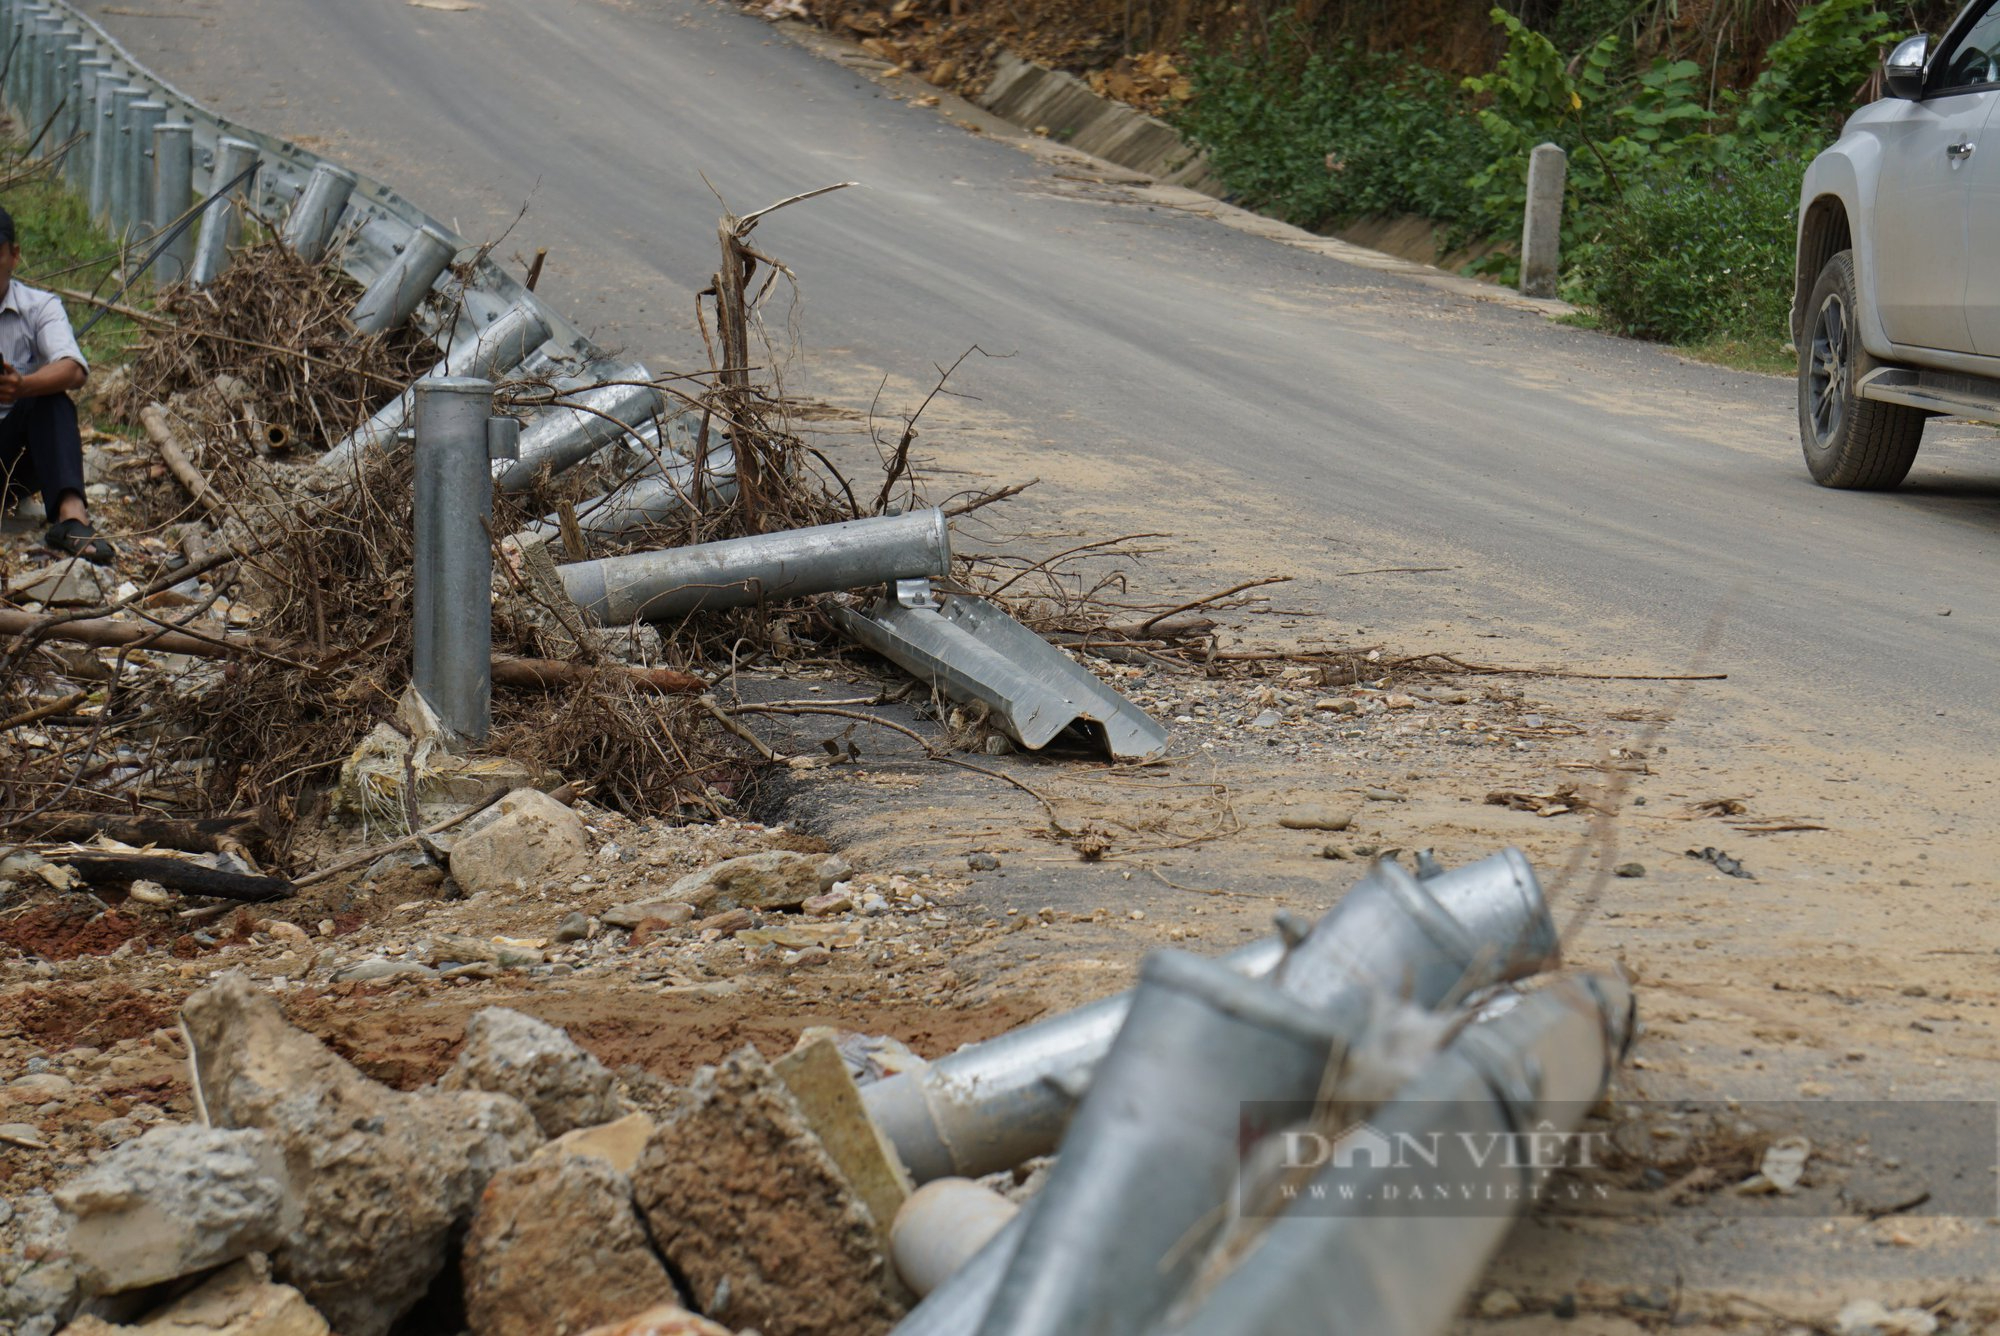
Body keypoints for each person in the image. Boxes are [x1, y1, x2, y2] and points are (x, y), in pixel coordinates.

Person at [0, 204, 110, 565]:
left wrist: (23, 386)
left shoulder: (40, 306)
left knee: (51, 399)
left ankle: (72, 518)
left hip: (14, 458)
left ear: (14, 255)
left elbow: (74, 369)